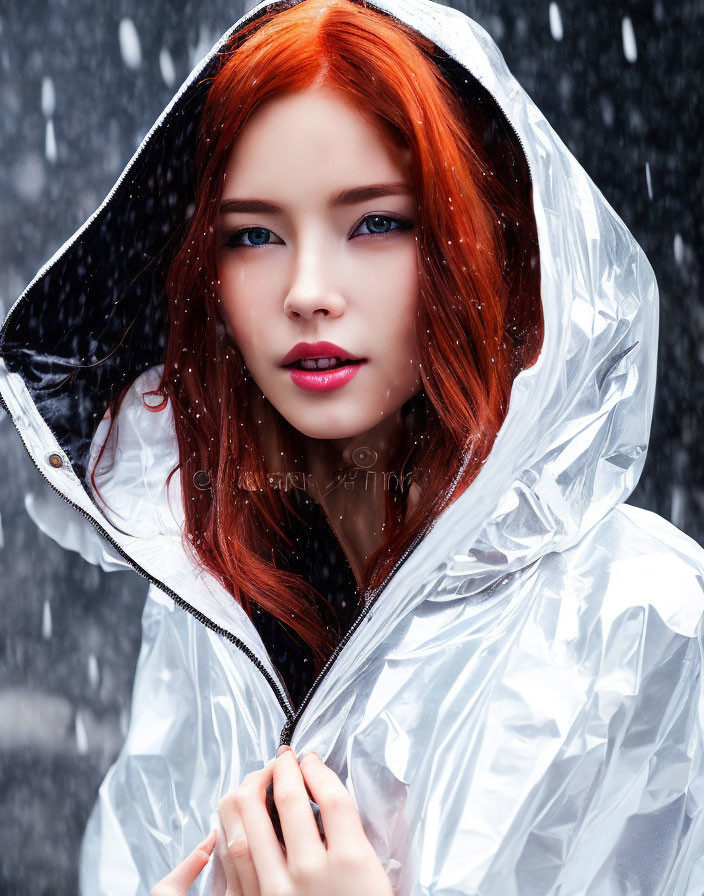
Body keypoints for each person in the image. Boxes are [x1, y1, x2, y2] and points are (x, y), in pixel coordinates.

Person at [1, 0, 703, 894]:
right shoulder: (203, 606)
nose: (307, 290)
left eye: (375, 223)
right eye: (253, 234)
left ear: (474, 238)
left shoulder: (649, 621)